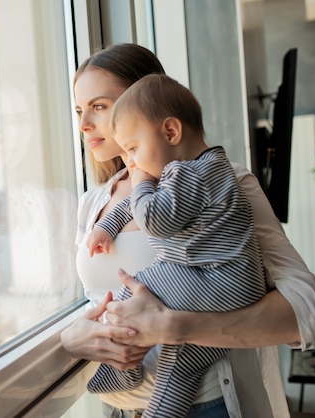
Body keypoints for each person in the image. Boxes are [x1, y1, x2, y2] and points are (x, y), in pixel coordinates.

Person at [61, 43, 315, 418]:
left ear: (145, 102)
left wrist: (179, 327)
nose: (84, 125)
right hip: (119, 411)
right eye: (78, 110)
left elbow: (310, 311)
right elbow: (99, 304)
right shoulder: (92, 205)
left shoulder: (224, 182)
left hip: (210, 407)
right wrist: (72, 340)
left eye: (100, 106)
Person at [85, 74, 267, 418]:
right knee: (180, 365)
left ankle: (123, 368)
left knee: (137, 289)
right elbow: (139, 205)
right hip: (234, 287)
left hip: (218, 280)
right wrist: (108, 226)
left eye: (134, 149)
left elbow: (154, 217)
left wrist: (139, 180)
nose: (131, 163)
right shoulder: (203, 169)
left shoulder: (190, 174)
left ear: (171, 132)